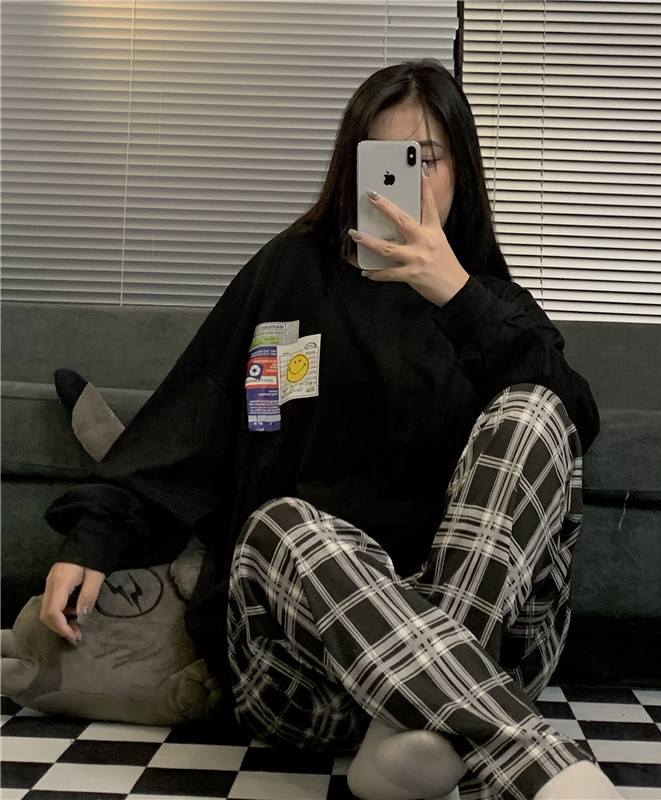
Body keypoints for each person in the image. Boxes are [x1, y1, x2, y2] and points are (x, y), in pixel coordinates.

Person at [39, 59, 622, 800]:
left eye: (427, 159)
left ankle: (417, 722)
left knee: (534, 407)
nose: (406, 181)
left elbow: (574, 426)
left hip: (488, 635)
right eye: (385, 159)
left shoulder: (492, 306)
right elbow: (193, 411)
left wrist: (456, 296)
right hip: (303, 672)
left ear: (462, 173)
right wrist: (96, 536)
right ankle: (513, 756)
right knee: (281, 524)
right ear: (353, 166)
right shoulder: (291, 271)